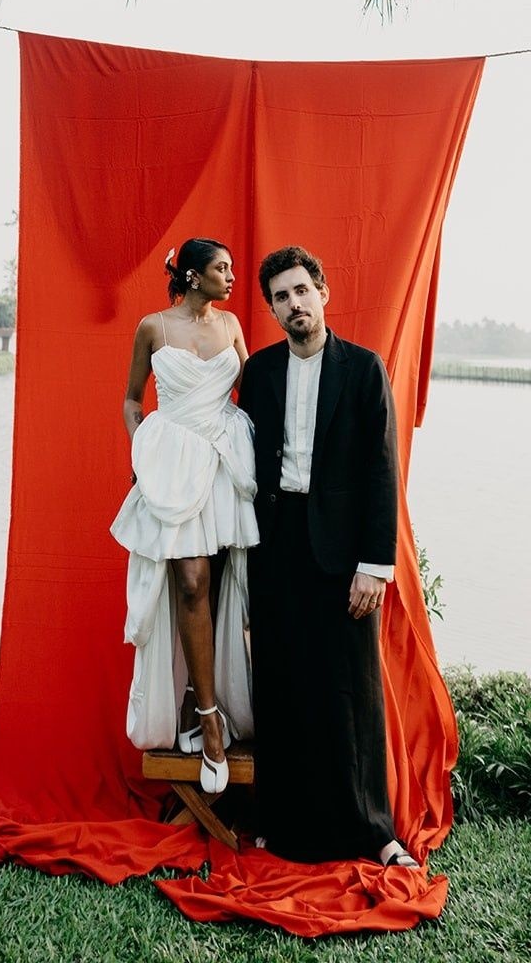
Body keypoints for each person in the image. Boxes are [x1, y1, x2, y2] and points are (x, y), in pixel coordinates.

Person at [238, 245, 417, 867]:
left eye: (301, 292)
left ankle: (373, 829)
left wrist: (376, 564)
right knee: (282, 683)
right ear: (272, 309)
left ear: (323, 293)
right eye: (281, 298)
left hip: (344, 551)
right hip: (277, 540)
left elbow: (381, 472)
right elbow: (240, 459)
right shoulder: (258, 373)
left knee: (350, 688)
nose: (293, 305)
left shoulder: (365, 370)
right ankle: (280, 822)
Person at [111, 238, 258, 793]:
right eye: (223, 268)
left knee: (219, 587)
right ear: (193, 276)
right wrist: (141, 448)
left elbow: (254, 389)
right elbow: (131, 399)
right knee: (191, 582)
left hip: (222, 462)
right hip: (172, 466)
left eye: (233, 267)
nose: (231, 276)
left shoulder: (233, 327)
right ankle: (208, 725)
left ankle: (203, 693)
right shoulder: (152, 327)